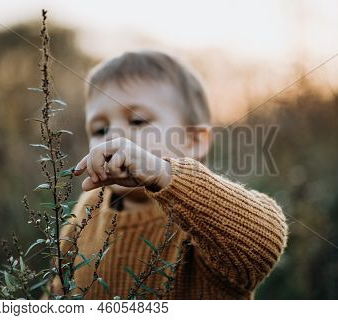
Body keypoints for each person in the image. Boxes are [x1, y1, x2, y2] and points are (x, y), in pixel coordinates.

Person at [49, 51, 288, 299]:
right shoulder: (88, 208)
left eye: (137, 122)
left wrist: (162, 173)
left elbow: (263, 244)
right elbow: (57, 289)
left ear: (194, 140)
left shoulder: (201, 221)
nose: (113, 136)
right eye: (100, 128)